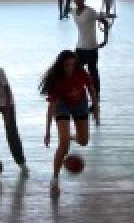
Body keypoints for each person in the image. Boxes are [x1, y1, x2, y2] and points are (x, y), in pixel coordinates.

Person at [40, 50, 98, 196]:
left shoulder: (81, 73)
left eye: (73, 64)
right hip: (62, 106)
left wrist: (96, 109)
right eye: (67, 65)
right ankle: (54, 179)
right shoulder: (57, 82)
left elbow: (91, 89)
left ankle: (72, 136)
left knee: (84, 141)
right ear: (61, 66)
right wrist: (47, 132)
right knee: (63, 145)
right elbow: (51, 108)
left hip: (80, 104)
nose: (70, 68)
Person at [71, 0, 108, 100]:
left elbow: (104, 22)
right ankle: (78, 96)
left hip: (91, 48)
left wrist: (105, 39)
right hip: (79, 48)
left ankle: (96, 99)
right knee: (76, 72)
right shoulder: (73, 12)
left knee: (93, 74)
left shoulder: (90, 11)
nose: (78, 0)